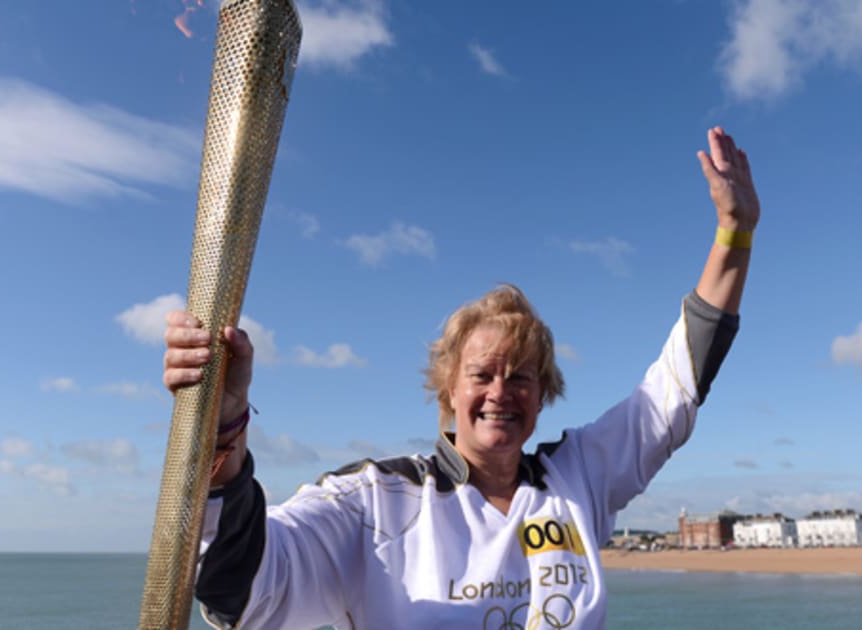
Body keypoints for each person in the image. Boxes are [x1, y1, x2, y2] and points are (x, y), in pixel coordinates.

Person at [163, 126, 760, 629]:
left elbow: (675, 387)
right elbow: (240, 592)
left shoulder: (576, 479)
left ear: (543, 394)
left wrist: (734, 235)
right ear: (448, 387)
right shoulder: (373, 500)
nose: (501, 392)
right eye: (482, 374)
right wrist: (223, 427)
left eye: (522, 377)